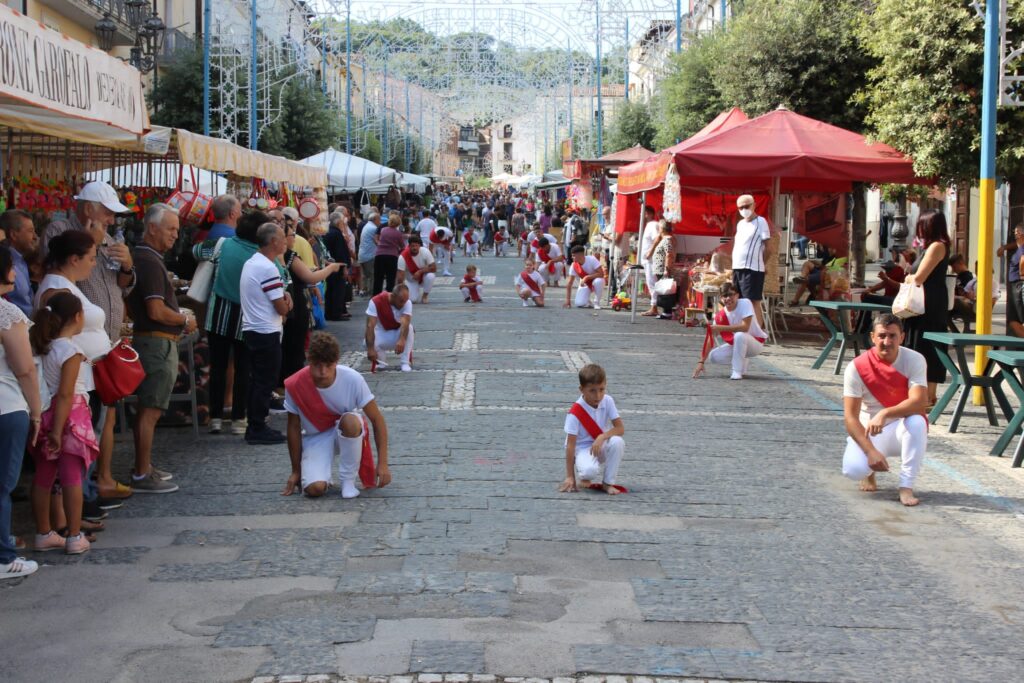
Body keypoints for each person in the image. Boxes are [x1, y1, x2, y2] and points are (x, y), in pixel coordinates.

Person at [42, 182, 135, 502]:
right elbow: (55, 259)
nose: (111, 219)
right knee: (78, 435)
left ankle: (97, 482)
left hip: (100, 352)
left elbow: (122, 287)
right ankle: (81, 499)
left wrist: (127, 266)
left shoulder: (109, 239)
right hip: (75, 366)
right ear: (88, 208)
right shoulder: (59, 229)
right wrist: (91, 243)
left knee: (101, 422)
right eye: (108, 212)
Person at [126, 204, 194, 493]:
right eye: (171, 229)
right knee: (150, 410)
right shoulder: (149, 261)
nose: (175, 235)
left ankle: (145, 466)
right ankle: (142, 473)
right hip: (156, 342)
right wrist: (184, 319)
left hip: (155, 340)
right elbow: (155, 310)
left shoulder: (145, 257)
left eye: (177, 229)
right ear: (152, 228)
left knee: (149, 409)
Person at [281, 332, 392, 499]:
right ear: (309, 360)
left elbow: (377, 419)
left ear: (336, 361)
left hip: (347, 430)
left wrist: (383, 463)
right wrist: (295, 470)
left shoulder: (353, 379)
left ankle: (348, 481)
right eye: (317, 365)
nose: (323, 372)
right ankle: (322, 477)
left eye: (328, 365)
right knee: (314, 489)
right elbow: (293, 427)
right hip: (315, 437)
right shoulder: (295, 384)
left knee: (351, 420)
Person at [28, 292, 97, 554]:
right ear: (77, 317)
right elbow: (66, 393)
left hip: (44, 413)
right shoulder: (71, 350)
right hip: (68, 417)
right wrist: (59, 430)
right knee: (71, 477)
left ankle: (43, 532)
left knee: (43, 475)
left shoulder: (42, 346)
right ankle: (74, 535)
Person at [192, 211, 268, 436]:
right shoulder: (260, 255)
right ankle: (238, 418)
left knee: (218, 368)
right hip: (247, 319)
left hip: (218, 318)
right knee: (244, 369)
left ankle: (215, 418)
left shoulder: (221, 245)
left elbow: (196, 251)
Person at [841, 314, 928, 507]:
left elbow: (920, 402)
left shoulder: (915, 359)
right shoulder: (856, 367)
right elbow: (850, 418)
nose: (886, 342)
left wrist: (885, 413)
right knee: (853, 470)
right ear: (872, 337)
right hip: (870, 432)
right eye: (881, 336)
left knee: (917, 422)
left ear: (902, 337)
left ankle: (906, 487)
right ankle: (869, 472)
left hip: (900, 428)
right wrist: (870, 451)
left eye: (892, 336)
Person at [0, 246, 42, 578]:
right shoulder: (7, 313)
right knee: (3, 485)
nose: (16, 273)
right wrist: (37, 410)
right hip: (6, 406)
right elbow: (25, 369)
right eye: (12, 267)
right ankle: (3, 556)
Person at [240, 222, 293, 444]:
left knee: (258, 380)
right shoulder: (267, 267)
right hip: (265, 330)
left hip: (253, 328)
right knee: (265, 380)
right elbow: (280, 306)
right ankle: (257, 427)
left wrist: (283, 299)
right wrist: (288, 303)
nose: (286, 241)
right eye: (283, 237)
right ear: (273, 241)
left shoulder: (253, 262)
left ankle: (255, 424)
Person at [280, 223, 344, 381]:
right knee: (294, 344)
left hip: (290, 303)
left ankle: (285, 380)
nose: (294, 238)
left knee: (290, 344)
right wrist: (331, 269)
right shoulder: (289, 256)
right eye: (291, 235)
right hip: (294, 303)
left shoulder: (282, 255)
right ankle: (291, 381)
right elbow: (310, 276)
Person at [903, 210, 950, 406]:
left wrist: (908, 277)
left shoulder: (937, 246)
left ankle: (928, 397)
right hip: (922, 303)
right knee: (918, 346)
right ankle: (920, 395)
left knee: (928, 348)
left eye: (921, 225)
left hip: (929, 304)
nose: (919, 229)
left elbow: (919, 277)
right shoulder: (930, 247)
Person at [557, 363, 626, 495]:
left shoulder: (608, 401)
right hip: (582, 449)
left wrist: (602, 437)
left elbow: (620, 429)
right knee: (589, 470)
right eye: (592, 390)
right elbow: (570, 446)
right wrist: (570, 476)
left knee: (618, 442)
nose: (598, 396)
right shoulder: (575, 412)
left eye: (601, 389)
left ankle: (607, 483)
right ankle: (584, 474)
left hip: (600, 444)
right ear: (581, 390)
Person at [692, 282, 767, 381]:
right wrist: (701, 362)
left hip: (756, 343)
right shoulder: (720, 315)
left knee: (740, 335)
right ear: (721, 298)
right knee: (714, 356)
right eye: (725, 296)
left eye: (731, 295)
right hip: (740, 343)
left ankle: (736, 371)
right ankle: (742, 360)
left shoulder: (745, 303)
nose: (728, 298)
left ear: (737, 295)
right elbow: (710, 340)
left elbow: (745, 327)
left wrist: (722, 328)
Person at [731, 194, 771, 328]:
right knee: (740, 301)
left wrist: (762, 264)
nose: (743, 210)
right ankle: (743, 328)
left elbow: (768, 247)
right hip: (737, 267)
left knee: (753, 301)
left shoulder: (761, 221)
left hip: (752, 269)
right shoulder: (740, 224)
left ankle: (758, 331)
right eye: (740, 207)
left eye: (746, 206)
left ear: (753, 205)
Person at [365, 284, 413, 372]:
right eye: (401, 301)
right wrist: (370, 349)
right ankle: (381, 361)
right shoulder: (376, 301)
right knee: (366, 342)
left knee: (409, 328)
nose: (403, 304)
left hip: (398, 333)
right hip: (382, 333)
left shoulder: (407, 302)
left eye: (405, 301)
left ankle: (405, 362)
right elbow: (370, 326)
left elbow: (406, 322)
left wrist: (402, 339)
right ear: (393, 296)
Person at [1, 210, 37, 317]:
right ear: (13, 234)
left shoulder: (21, 261)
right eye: (30, 231)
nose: (35, 236)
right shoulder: (4, 264)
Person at [321, 211, 353, 321]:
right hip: (337, 266)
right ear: (339, 221)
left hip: (331, 265)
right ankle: (336, 313)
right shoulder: (337, 233)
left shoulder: (330, 231)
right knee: (337, 291)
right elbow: (340, 253)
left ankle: (330, 313)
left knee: (331, 290)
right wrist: (344, 267)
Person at [373, 212, 406, 295]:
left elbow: (378, 238)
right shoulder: (398, 233)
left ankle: (376, 295)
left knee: (378, 277)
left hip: (380, 254)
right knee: (390, 277)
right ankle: (389, 294)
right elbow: (402, 246)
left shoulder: (383, 230)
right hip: (392, 256)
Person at [397, 235, 436, 304]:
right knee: (412, 300)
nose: (414, 248)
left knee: (431, 276)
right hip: (411, 280)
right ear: (409, 246)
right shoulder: (402, 257)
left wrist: (420, 272)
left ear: (419, 246)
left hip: (423, 277)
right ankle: (413, 290)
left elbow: (434, 268)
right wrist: (402, 291)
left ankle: (425, 296)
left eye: (416, 246)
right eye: (412, 246)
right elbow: (400, 277)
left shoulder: (425, 251)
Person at [651, 220, 676, 318]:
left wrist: (666, 268)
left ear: (662, 229)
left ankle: (667, 312)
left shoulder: (667, 240)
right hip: (660, 269)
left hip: (663, 269)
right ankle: (666, 311)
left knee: (665, 290)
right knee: (663, 290)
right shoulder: (666, 239)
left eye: (659, 227)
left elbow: (669, 254)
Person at [639, 206, 661, 316]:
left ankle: (654, 307)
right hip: (648, 260)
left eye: (645, 213)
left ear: (650, 214)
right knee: (650, 282)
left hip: (651, 260)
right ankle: (653, 306)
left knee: (652, 283)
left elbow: (657, 238)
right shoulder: (649, 225)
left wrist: (650, 252)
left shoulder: (653, 225)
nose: (642, 216)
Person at [358, 212, 380, 296]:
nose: (380, 222)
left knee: (366, 275)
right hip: (369, 255)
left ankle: (365, 291)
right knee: (372, 275)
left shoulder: (367, 226)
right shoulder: (373, 228)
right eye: (379, 219)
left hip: (363, 254)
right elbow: (377, 241)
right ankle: (372, 293)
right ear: (375, 219)